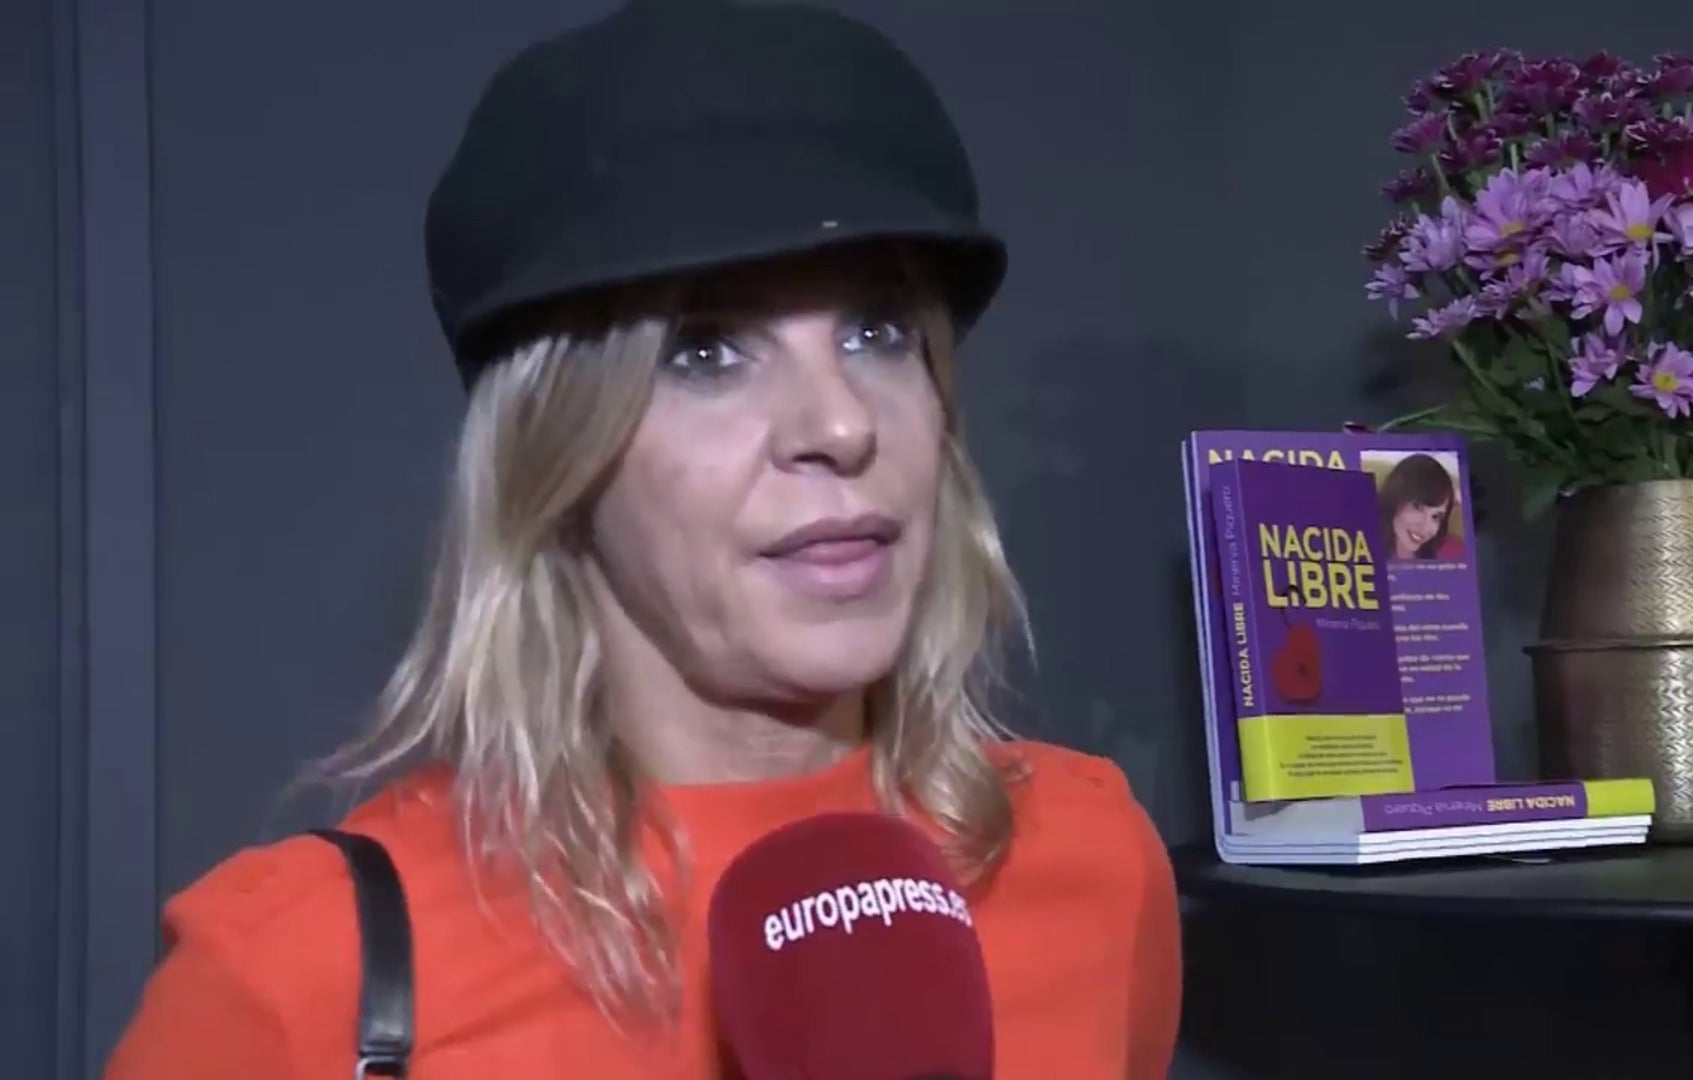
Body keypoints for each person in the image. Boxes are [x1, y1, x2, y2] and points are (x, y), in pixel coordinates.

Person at [103, 2, 1181, 1078]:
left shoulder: (1094, 865)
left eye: (878, 330)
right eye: (705, 353)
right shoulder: (292, 982)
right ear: (557, 453)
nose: (842, 423)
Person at [1376, 453, 1466, 562]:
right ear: (1395, 498)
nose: (1424, 528)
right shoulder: (1365, 542)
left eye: (1435, 516)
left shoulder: (1451, 554)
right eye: (1418, 507)